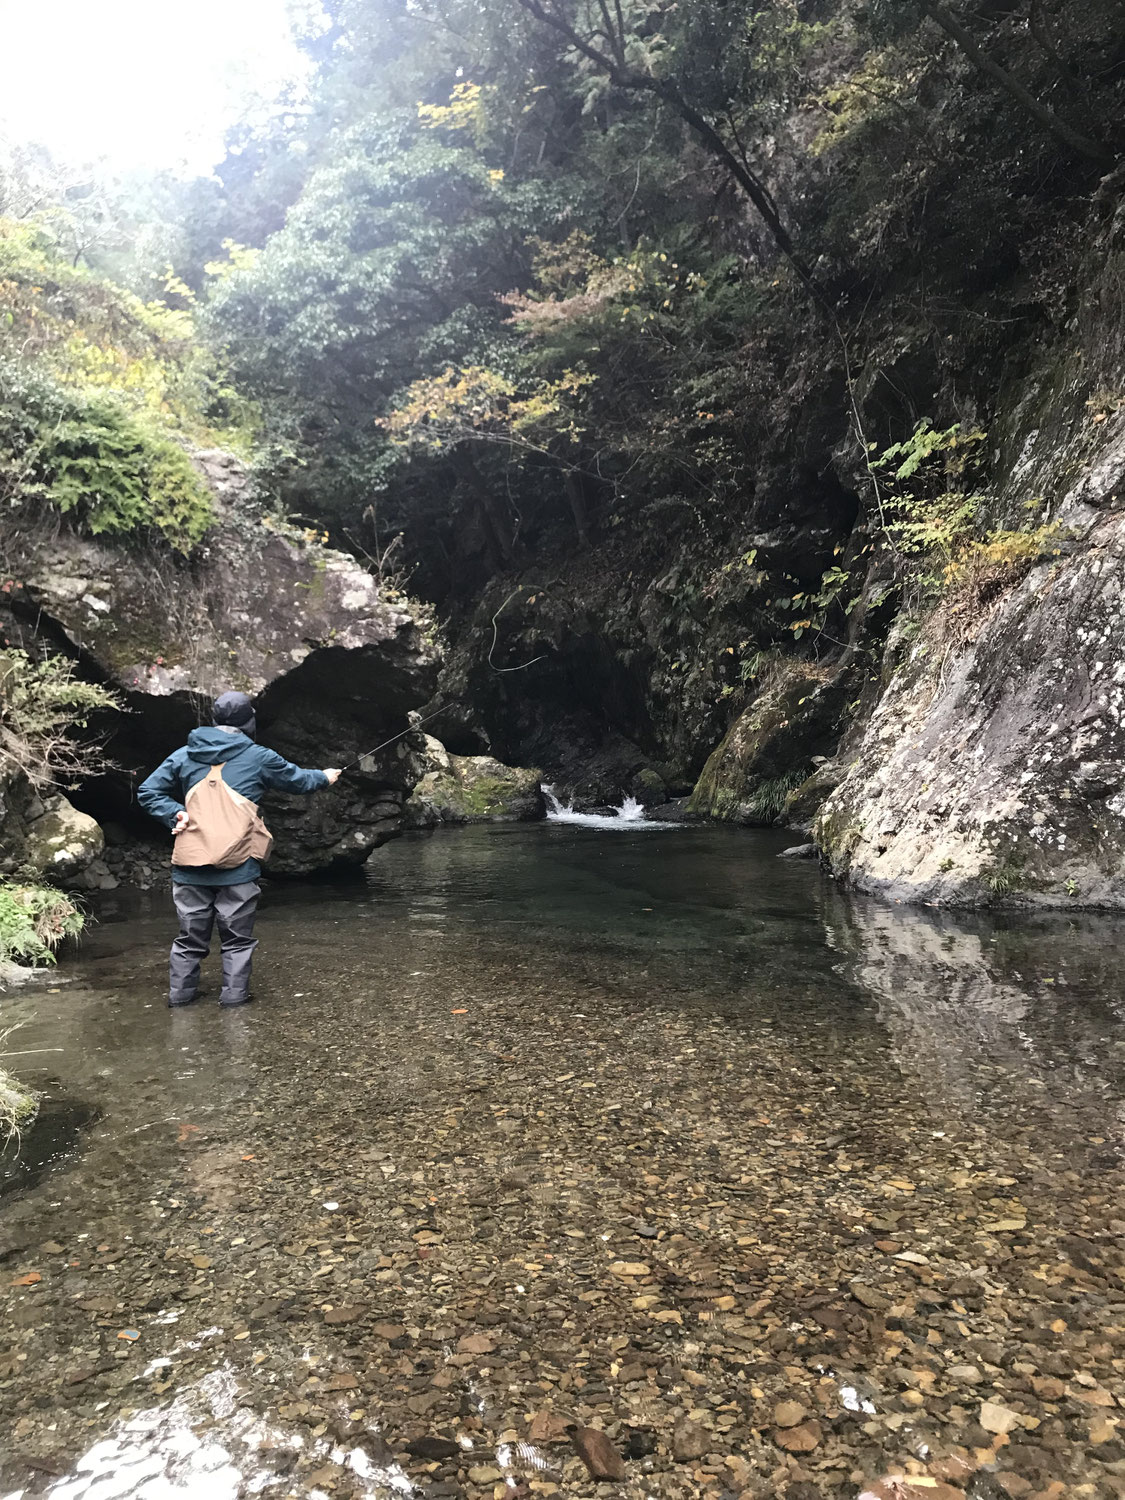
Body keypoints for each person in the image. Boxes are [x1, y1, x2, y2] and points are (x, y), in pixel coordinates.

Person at [138, 691, 341, 1008]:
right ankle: (234, 1001)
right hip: (239, 867)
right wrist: (326, 777)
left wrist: (172, 813)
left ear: (214, 721)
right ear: (250, 721)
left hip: (189, 865)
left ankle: (180, 998)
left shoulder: (183, 755)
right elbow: (300, 781)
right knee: (237, 939)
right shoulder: (260, 757)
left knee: (189, 938)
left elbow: (149, 790)